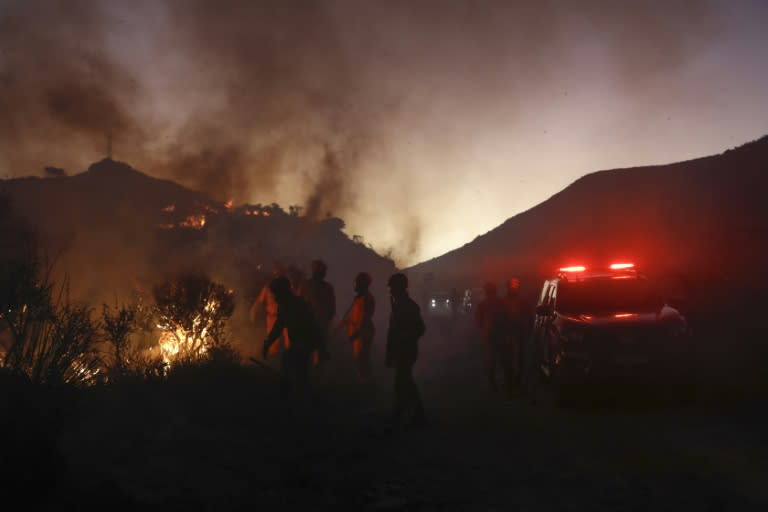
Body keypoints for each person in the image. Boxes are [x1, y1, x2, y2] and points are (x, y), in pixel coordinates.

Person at [262, 276, 319, 399]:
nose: (275, 297)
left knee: (295, 371)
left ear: (283, 291)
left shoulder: (298, 305)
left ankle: (296, 402)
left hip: (304, 343)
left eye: (276, 293)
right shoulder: (285, 305)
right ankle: (297, 399)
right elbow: (279, 326)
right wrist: (268, 343)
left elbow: (312, 326)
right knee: (295, 372)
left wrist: (319, 347)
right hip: (299, 344)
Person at [386, 273, 426, 428]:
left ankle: (402, 416)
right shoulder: (399, 305)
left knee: (402, 384)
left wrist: (406, 337)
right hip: (400, 350)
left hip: (406, 351)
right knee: (405, 383)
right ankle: (415, 415)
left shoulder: (409, 306)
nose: (390, 291)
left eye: (392, 287)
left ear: (399, 287)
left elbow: (420, 328)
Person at [474, 281, 515, 399]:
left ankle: (493, 386)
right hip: (502, 336)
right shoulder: (502, 303)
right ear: (495, 291)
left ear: (486, 292)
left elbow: (478, 322)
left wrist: (484, 331)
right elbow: (509, 318)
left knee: (491, 361)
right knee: (505, 361)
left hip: (489, 337)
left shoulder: (482, 305)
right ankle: (508, 387)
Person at [340, 272, 375, 383]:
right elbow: (357, 317)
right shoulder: (359, 299)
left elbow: (365, 320)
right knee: (358, 361)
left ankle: (365, 386)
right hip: (358, 334)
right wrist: (347, 322)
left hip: (363, 335)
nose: (354, 284)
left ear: (362, 284)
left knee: (362, 362)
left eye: (356, 282)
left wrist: (354, 335)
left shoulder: (367, 299)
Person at [299, 259, 336, 364]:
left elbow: (332, 308)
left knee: (319, 354)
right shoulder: (306, 285)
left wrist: (325, 321)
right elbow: (299, 303)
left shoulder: (327, 287)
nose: (324, 273)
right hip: (309, 325)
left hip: (319, 325)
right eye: (322, 271)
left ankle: (317, 375)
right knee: (308, 352)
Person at [251, 264, 290, 357]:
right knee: (272, 342)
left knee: (289, 340)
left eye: (280, 273)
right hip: (272, 317)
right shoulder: (268, 288)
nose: (277, 275)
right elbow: (259, 301)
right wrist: (253, 311)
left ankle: (290, 361)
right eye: (276, 273)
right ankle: (272, 361)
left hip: (285, 317)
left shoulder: (288, 287)